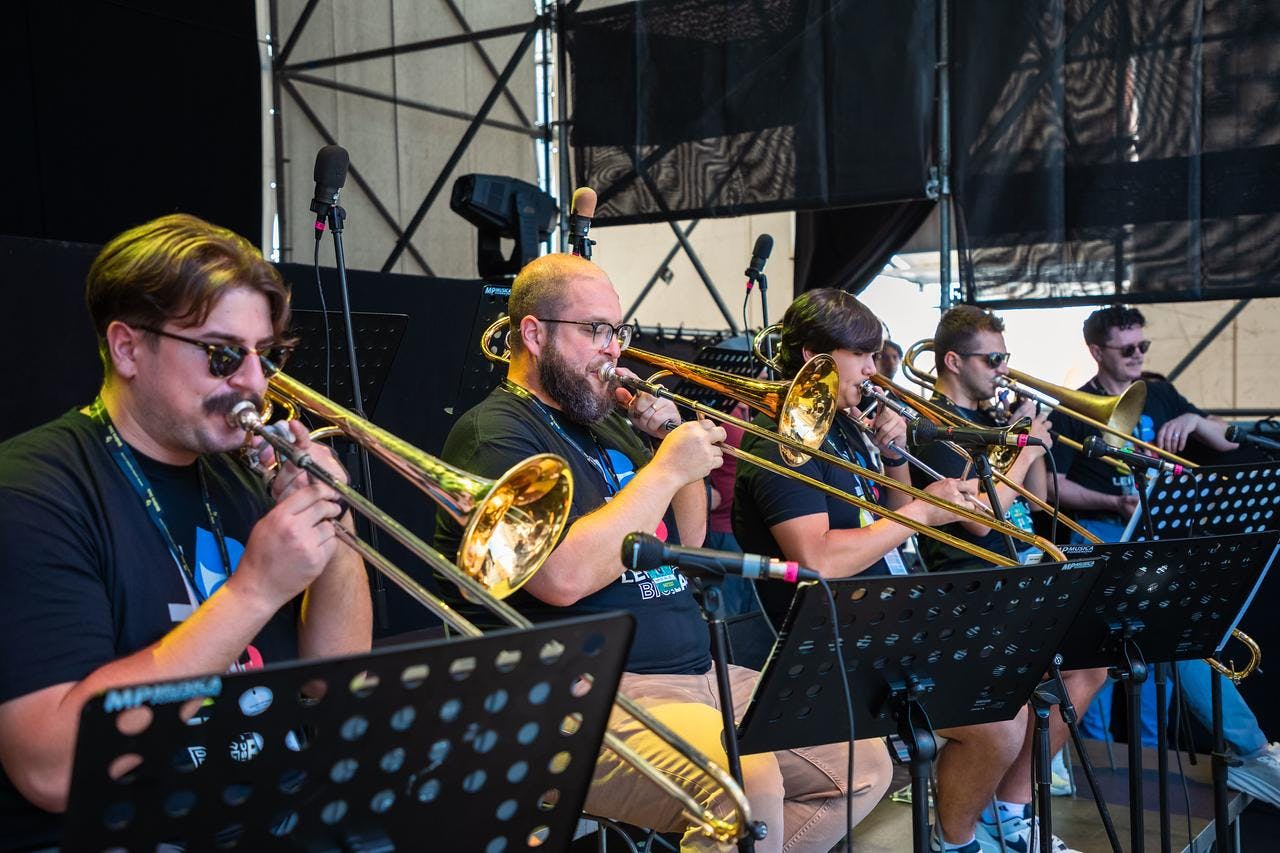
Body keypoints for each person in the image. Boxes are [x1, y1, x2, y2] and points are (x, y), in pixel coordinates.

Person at [434, 255, 891, 852]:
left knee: (863, 761)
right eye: (595, 330)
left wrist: (665, 448)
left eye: (618, 331)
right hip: (580, 690)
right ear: (534, 333)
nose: (613, 348)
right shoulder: (496, 433)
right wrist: (666, 468)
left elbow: (688, 540)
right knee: (746, 781)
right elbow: (561, 577)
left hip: (695, 673)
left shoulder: (605, 423)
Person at [0, 214, 372, 850]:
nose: (254, 382)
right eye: (223, 355)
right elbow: (52, 769)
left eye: (266, 355)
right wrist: (253, 592)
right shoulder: (34, 492)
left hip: (276, 819)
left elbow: (333, 684)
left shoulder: (241, 475)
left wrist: (330, 518)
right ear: (127, 348)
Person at [1051, 305, 1280, 808]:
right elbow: (1052, 484)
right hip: (1101, 533)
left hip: (1153, 535)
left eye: (1143, 345)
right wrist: (1114, 501)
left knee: (1167, 655)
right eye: (1127, 348)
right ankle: (1093, 765)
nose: (1138, 355)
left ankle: (1158, 761)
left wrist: (1195, 419)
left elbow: (1225, 443)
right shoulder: (1073, 407)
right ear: (1096, 351)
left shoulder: (1158, 393)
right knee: (1100, 664)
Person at [907, 305, 1106, 852]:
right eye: (992, 359)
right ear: (953, 361)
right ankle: (974, 827)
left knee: (1091, 666)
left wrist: (1033, 443)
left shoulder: (991, 418)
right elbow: (976, 516)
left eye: (1005, 357)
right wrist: (1018, 446)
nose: (1003, 369)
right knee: (1015, 701)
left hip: (1022, 572)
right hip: (971, 583)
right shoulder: (931, 425)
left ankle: (1013, 807)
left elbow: (1034, 502)